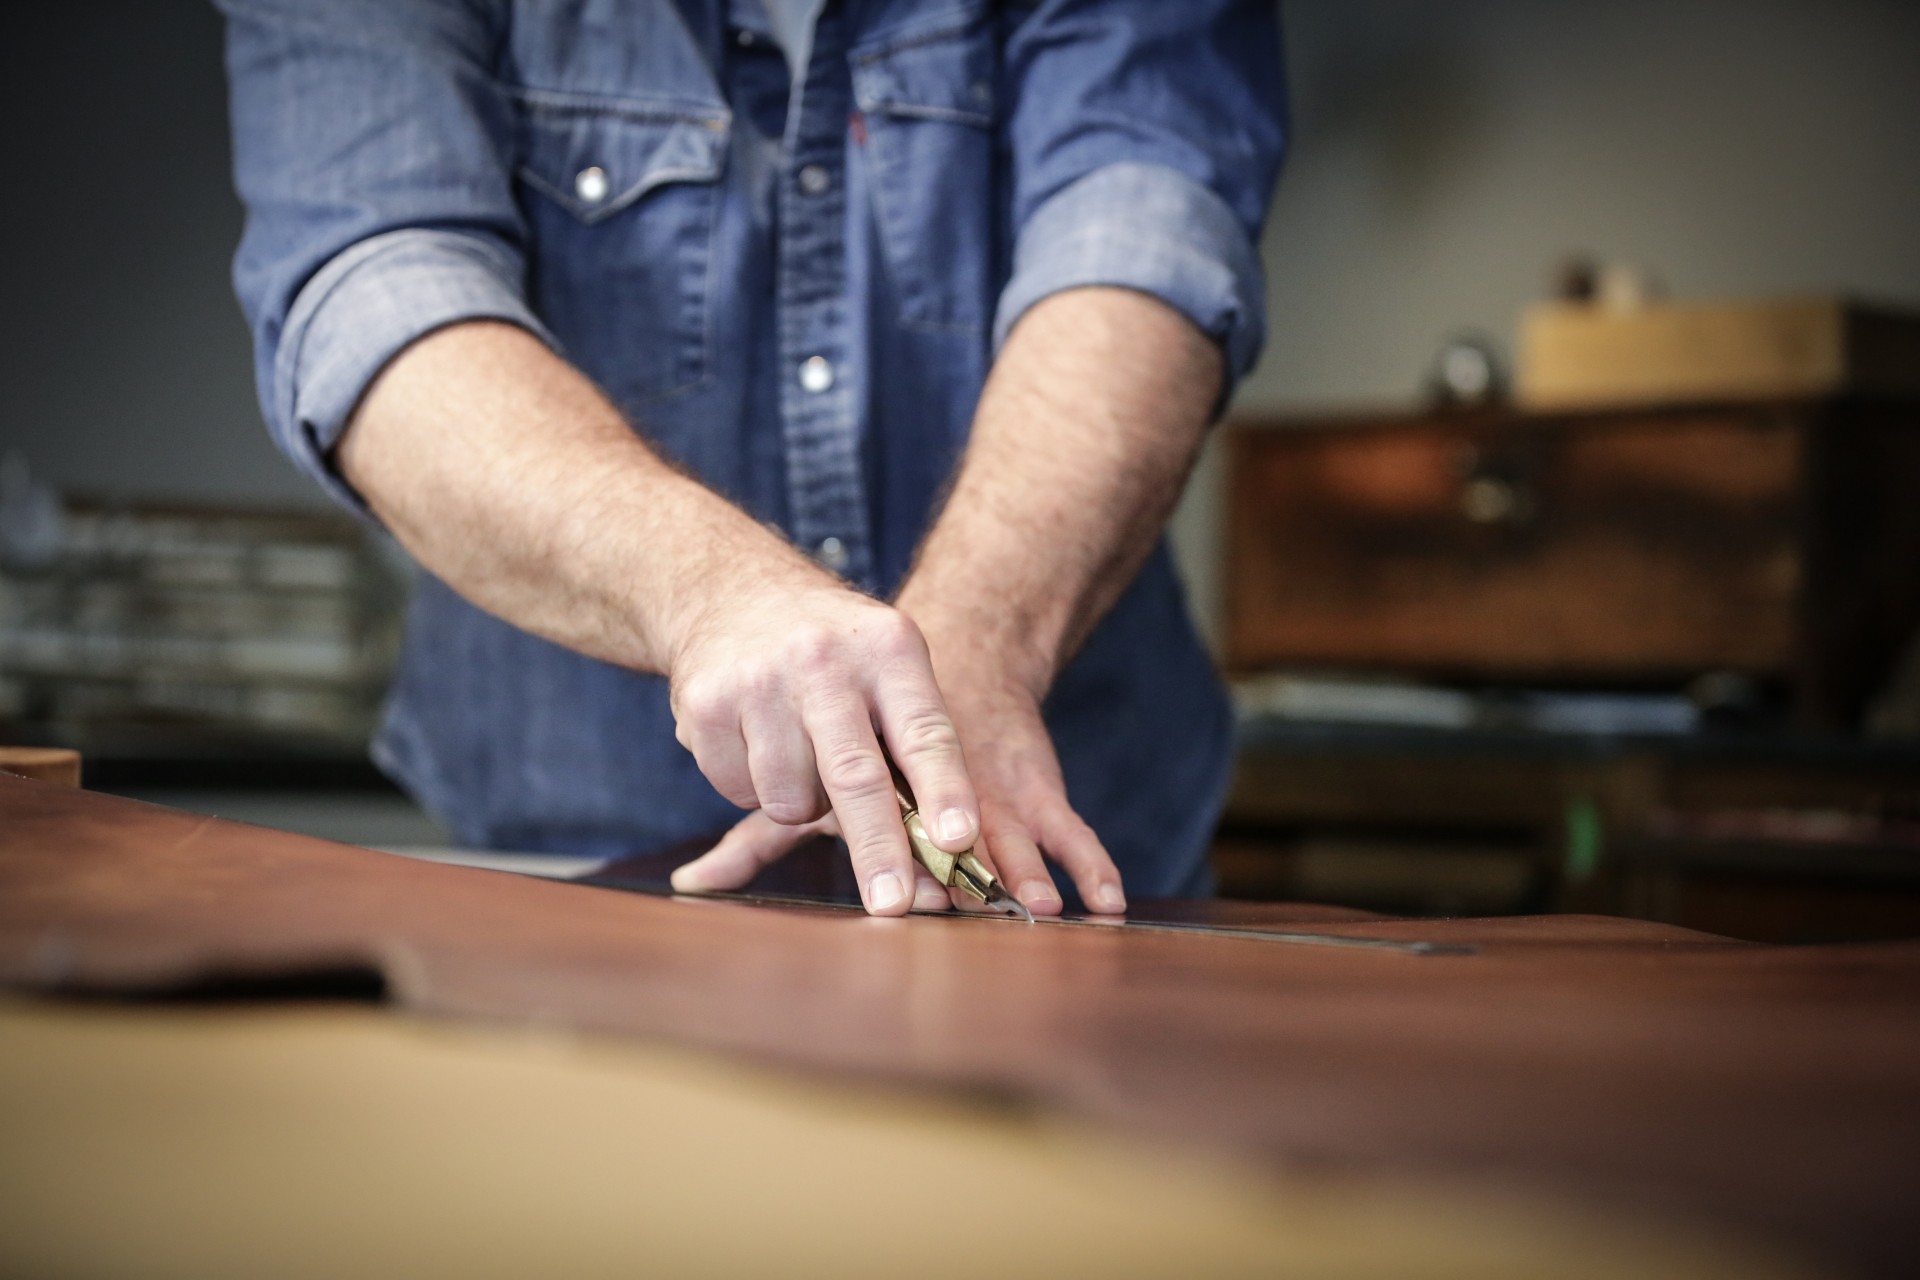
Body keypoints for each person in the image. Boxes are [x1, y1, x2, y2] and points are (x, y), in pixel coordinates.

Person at [219, 0, 1287, 918]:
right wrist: (710, 590)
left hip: (1066, 856)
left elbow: (1143, 219)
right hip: (567, 873)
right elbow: (374, 280)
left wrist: (982, 635)